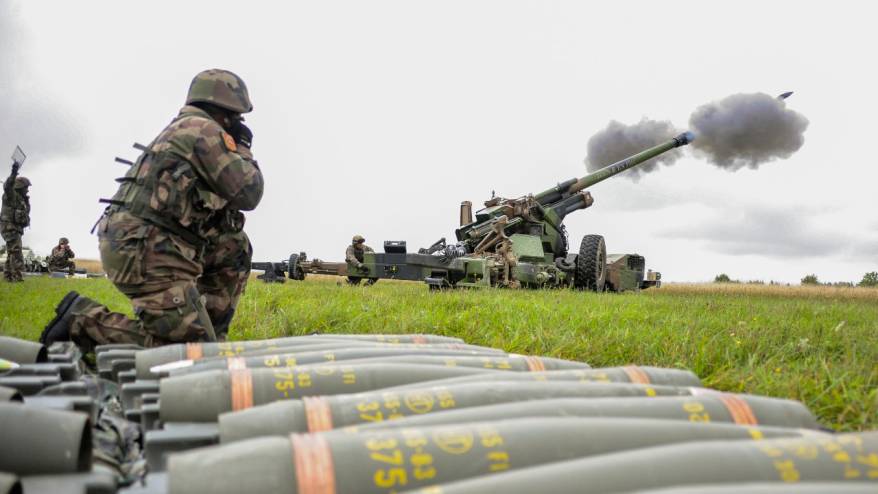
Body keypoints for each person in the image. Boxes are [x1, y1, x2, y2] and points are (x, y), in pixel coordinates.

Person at [41, 69, 264, 351]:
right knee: (191, 354)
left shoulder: (185, 130)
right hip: (146, 249)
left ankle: (207, 334)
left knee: (234, 246)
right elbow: (249, 191)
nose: (237, 124)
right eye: (236, 118)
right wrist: (243, 149)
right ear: (224, 113)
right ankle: (81, 322)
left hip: (145, 244)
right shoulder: (202, 130)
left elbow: (226, 217)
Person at [1, 163, 30, 282]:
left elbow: (25, 213)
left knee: (11, 252)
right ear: (19, 187)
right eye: (26, 187)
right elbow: (8, 186)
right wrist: (14, 172)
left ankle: (8, 277)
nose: (27, 190)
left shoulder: (21, 199)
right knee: (16, 252)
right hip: (9, 227)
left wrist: (27, 202)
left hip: (15, 228)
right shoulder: (11, 195)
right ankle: (17, 277)